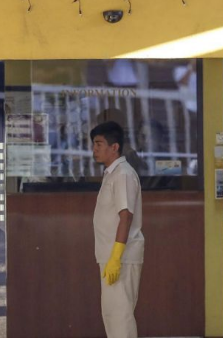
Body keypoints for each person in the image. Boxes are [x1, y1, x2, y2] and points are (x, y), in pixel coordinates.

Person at [90, 121, 144, 338]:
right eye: (94, 144)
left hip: (120, 258)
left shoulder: (123, 174)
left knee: (120, 317)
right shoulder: (112, 173)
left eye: (99, 144)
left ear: (115, 147)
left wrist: (116, 256)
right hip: (110, 257)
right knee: (112, 315)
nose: (94, 149)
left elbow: (126, 216)